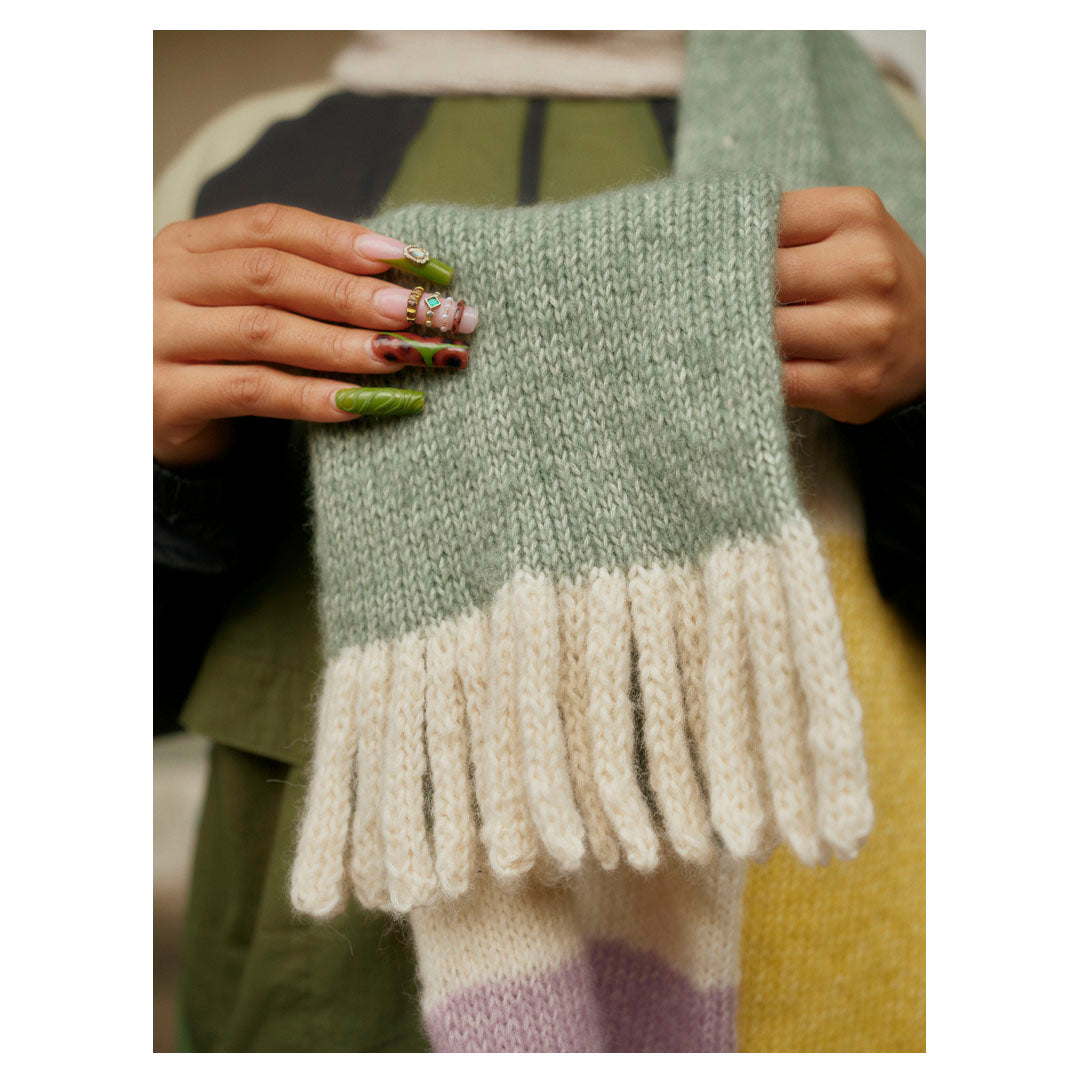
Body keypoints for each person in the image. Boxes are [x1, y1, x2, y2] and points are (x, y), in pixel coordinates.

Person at [155, 30, 925, 1052]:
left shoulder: (910, 147)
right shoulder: (246, 161)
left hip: (808, 914)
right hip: (340, 976)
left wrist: (939, 386)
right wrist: (151, 459)